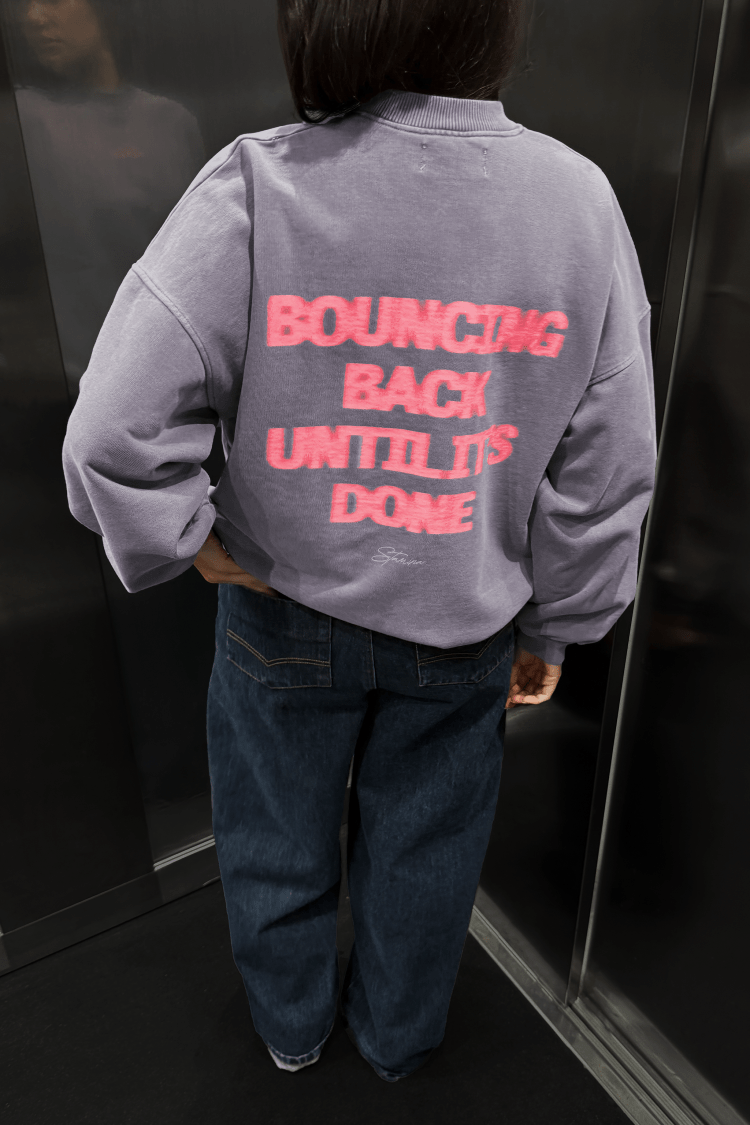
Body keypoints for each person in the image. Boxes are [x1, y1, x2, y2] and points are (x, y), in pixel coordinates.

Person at [62, 0, 656, 1083]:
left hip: (282, 612)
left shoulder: (259, 183)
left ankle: (291, 1028)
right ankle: (396, 1039)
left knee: (273, 837)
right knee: (428, 858)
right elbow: (611, 464)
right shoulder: (577, 201)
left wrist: (184, 542)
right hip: (465, 624)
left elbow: (111, 426)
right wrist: (562, 625)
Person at [13, 0, 205, 389]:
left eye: (52, 0)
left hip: (165, 379)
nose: (32, 17)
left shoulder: (171, 124)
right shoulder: (23, 118)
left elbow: (197, 270)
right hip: (59, 388)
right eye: (24, 5)